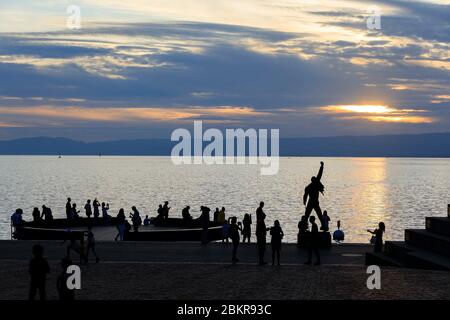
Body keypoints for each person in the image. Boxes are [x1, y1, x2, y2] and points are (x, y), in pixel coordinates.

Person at [303, 161, 325, 229]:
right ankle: (305, 225)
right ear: (313, 181)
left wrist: (322, 166)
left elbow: (319, 174)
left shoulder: (312, 185)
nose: (316, 181)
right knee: (307, 215)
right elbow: (305, 195)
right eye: (315, 180)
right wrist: (304, 202)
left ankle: (323, 226)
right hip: (312, 202)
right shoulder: (308, 187)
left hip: (314, 202)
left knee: (319, 215)